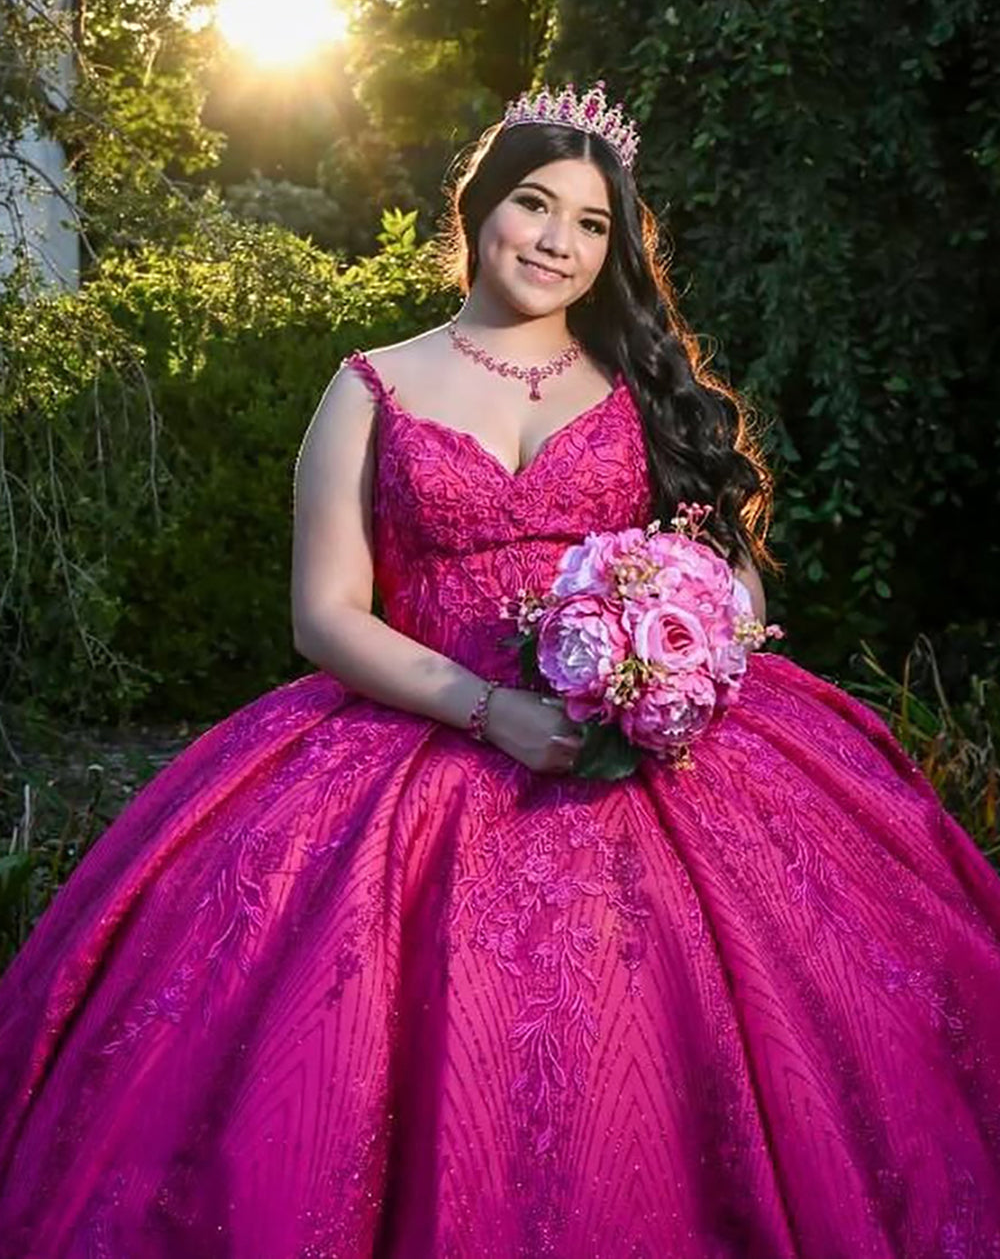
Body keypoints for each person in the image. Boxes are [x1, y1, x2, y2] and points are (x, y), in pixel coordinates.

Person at [0, 81, 999, 1259]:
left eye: (591, 226)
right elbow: (326, 615)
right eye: (535, 205)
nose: (557, 242)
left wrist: (663, 648)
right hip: (415, 728)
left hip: (640, 745)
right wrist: (492, 711)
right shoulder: (370, 383)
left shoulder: (640, 389)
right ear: (478, 206)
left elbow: (736, 586)